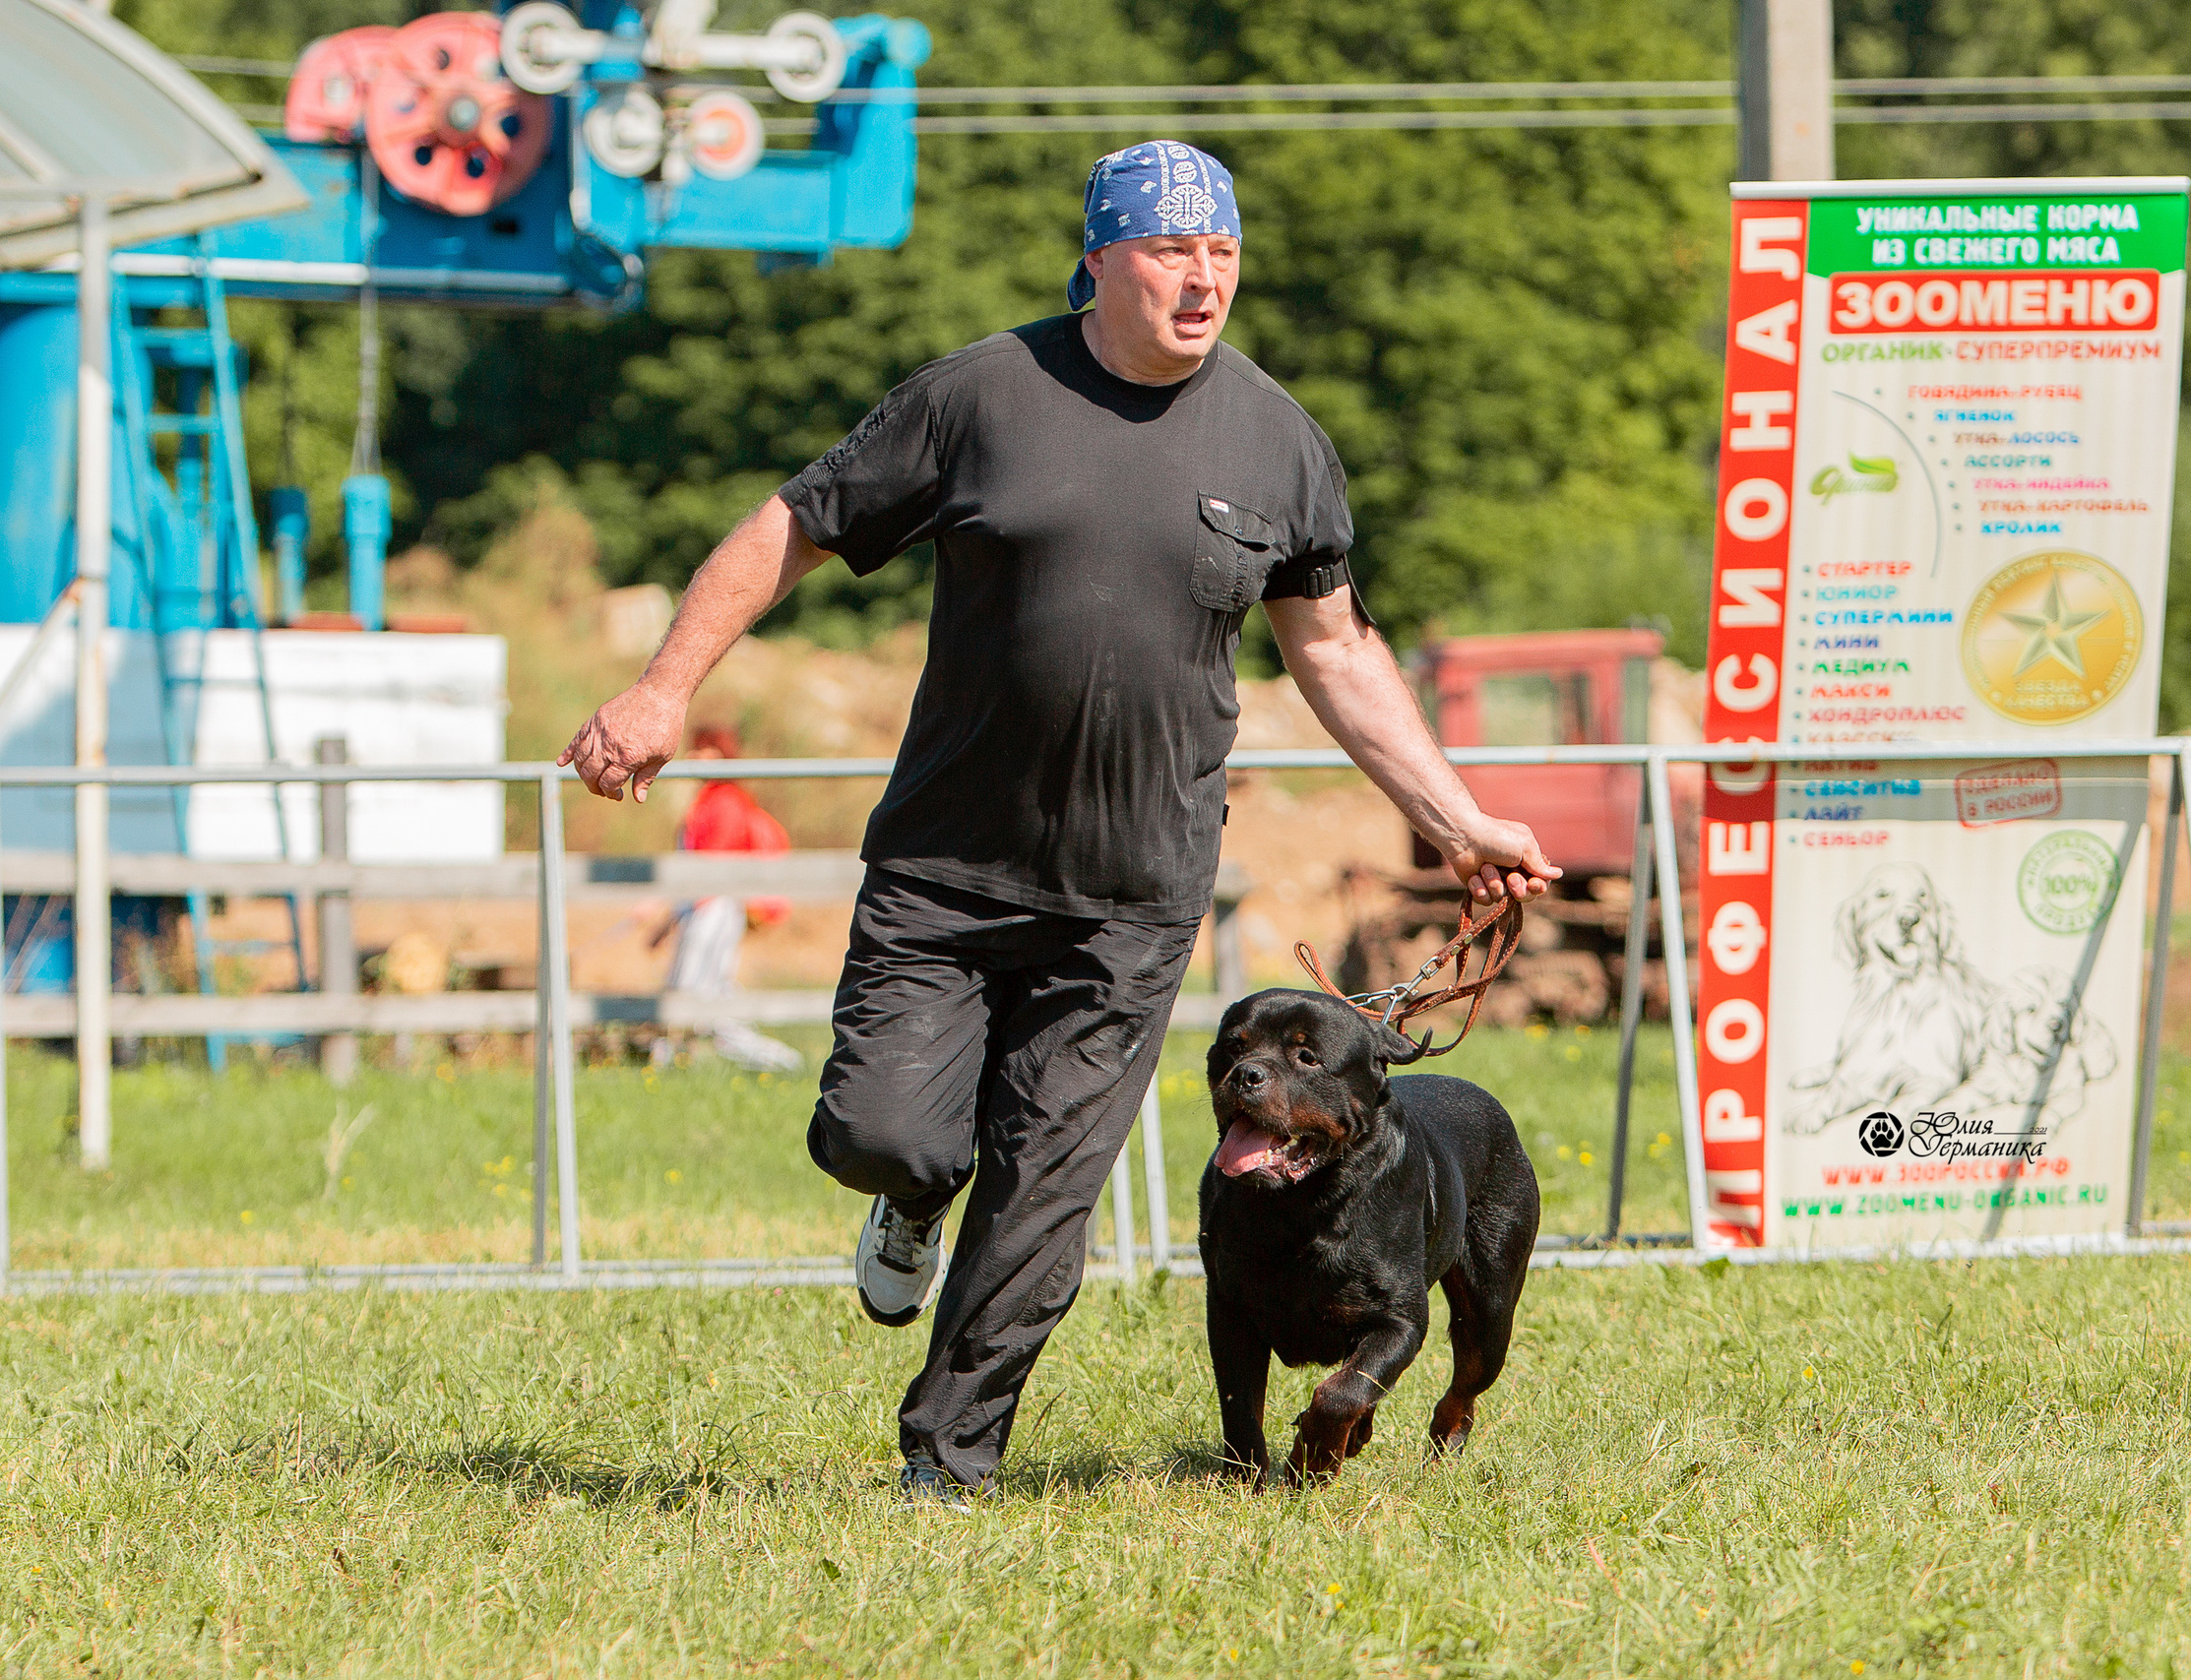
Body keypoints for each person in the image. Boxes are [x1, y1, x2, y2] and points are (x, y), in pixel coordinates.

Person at [560, 139, 1557, 1505]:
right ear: (1100, 258)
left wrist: (1455, 816)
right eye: (1169, 250)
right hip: (947, 875)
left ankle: (947, 1466)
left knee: (1043, 1197)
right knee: (888, 1130)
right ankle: (910, 1195)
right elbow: (790, 526)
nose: (1201, 277)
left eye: (1222, 252)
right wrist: (667, 685)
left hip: (1133, 894)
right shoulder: (983, 394)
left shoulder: (1276, 439)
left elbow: (1334, 648)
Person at [649, 722, 802, 1074]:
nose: (693, 756)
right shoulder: (706, 802)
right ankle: (667, 1066)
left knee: (698, 998)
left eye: (702, 750)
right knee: (700, 994)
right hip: (700, 909)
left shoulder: (726, 803)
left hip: (712, 910)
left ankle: (778, 1064)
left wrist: (665, 914)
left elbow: (710, 868)